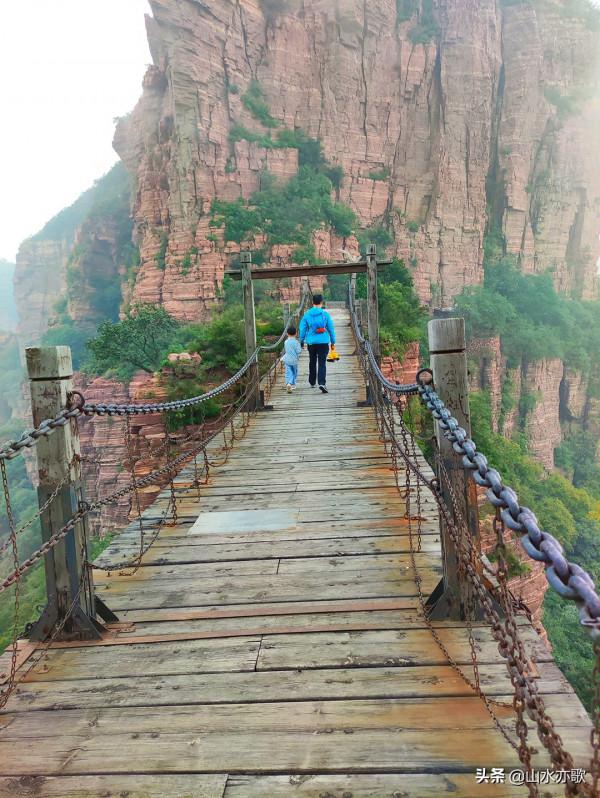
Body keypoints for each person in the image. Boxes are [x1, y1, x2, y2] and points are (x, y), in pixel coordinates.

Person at [299, 294, 336, 393]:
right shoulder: (325, 315)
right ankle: (322, 383)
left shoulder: (307, 314)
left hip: (311, 342)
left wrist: (301, 340)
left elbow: (302, 329)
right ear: (321, 302)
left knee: (312, 361)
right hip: (323, 342)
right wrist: (333, 341)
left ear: (312, 302)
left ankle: (312, 381)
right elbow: (331, 329)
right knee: (322, 363)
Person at [282, 324, 302, 393]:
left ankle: (288, 383)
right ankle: (292, 384)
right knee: (294, 372)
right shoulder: (296, 342)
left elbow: (286, 350)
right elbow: (299, 351)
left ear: (287, 334)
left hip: (287, 359)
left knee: (288, 372)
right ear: (296, 333)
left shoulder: (286, 342)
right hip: (294, 360)